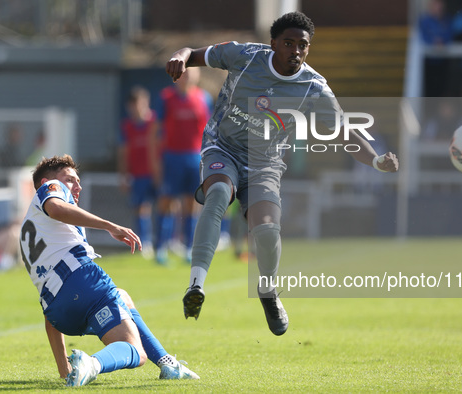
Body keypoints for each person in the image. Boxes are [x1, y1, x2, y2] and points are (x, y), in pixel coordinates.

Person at [165, 12, 399, 336]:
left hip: (265, 164)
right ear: (273, 43)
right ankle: (196, 286)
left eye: (303, 45)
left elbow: (344, 131)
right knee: (218, 195)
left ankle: (268, 291)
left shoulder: (314, 87)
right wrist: (181, 55)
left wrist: (375, 161)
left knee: (266, 230)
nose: (296, 51)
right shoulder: (245, 56)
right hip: (223, 147)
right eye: (289, 43)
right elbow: (194, 54)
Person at [19, 155, 198, 386]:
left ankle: (167, 364)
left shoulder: (32, 225)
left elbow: (49, 313)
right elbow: (55, 207)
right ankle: (92, 364)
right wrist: (109, 226)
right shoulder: (51, 189)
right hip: (83, 282)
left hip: (58, 311)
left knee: (123, 297)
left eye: (77, 181)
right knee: (136, 352)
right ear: (46, 182)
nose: (77, 185)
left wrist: (64, 370)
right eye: (70, 179)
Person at [154, 68, 213, 264]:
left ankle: (188, 248)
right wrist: (155, 160)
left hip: (194, 158)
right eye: (184, 73)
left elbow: (209, 130)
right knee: (167, 202)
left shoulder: (204, 98)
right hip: (172, 157)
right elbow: (155, 131)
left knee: (192, 204)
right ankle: (161, 248)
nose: (187, 77)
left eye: (191, 73)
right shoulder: (166, 98)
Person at [118, 87, 160, 259]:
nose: (138, 108)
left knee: (166, 205)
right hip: (137, 174)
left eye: (141, 103)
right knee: (141, 208)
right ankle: (145, 243)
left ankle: (167, 241)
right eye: (134, 105)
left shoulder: (155, 122)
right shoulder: (127, 126)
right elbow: (123, 152)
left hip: (156, 172)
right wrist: (123, 175)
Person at [418, 0, 452, 97]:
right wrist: (433, 42)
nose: (439, 8)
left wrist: (443, 42)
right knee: (430, 90)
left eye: (440, 5)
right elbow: (423, 36)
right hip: (429, 63)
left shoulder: (446, 20)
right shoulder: (425, 20)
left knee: (442, 90)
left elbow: (450, 35)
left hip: (443, 62)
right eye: (436, 5)